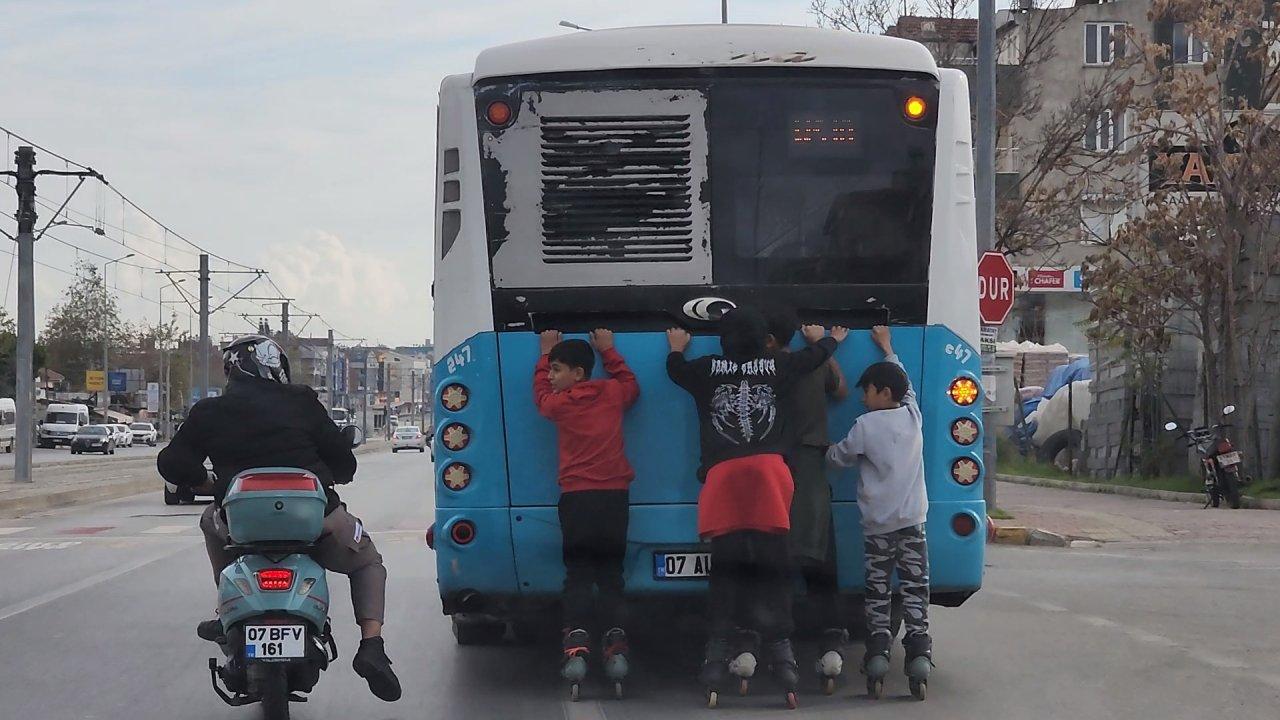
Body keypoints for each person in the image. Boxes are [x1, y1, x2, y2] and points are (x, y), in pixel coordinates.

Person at [157, 334, 401, 702]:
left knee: (209, 520)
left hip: (241, 524)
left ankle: (227, 611)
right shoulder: (302, 400)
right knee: (367, 561)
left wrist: (207, 481)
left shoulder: (209, 411)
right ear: (275, 367)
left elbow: (171, 463)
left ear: (231, 371)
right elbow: (345, 464)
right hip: (315, 521)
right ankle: (372, 646)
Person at [666, 308, 848, 707]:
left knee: (727, 568)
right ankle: (783, 655)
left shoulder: (705, 368)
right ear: (762, 339)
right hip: (769, 477)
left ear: (722, 341)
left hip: (724, 479)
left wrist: (676, 349)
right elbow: (813, 358)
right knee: (774, 569)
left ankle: (717, 655)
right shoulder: (779, 365)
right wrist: (831, 339)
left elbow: (675, 372)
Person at [826, 325, 932, 698]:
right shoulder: (913, 416)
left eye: (867, 391)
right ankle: (918, 652)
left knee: (878, 590)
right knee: (916, 588)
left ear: (883, 393)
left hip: (878, 528)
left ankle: (878, 652)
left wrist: (822, 448)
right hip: (913, 522)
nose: (863, 398)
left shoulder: (864, 426)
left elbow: (839, 459)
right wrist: (888, 348)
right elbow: (907, 386)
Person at [533, 328, 640, 692]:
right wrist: (609, 350)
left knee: (577, 573)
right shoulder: (611, 393)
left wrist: (543, 351)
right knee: (611, 573)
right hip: (614, 498)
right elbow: (630, 384)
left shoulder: (560, 404)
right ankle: (616, 641)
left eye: (557, 368)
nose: (551, 374)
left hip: (577, 499)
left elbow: (540, 398)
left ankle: (576, 642)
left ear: (577, 374)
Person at [763, 308, 850, 687]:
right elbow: (842, 390)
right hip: (811, 471)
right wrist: (822, 345)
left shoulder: (755, 372)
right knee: (820, 560)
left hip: (770, 472)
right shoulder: (811, 365)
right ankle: (830, 644)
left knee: (773, 561)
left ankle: (774, 645)